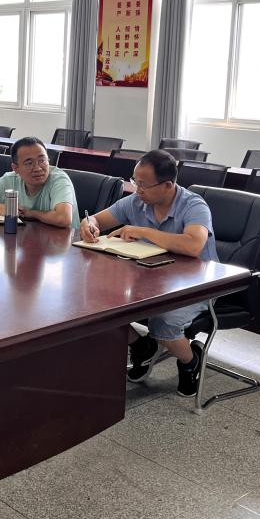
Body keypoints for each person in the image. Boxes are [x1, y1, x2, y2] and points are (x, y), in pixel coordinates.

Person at [78, 149, 218, 397]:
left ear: (167, 185)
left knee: (163, 321)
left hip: (195, 285)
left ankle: (191, 361)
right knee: (97, 304)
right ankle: (142, 347)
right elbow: (97, 220)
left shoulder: (193, 205)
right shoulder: (136, 201)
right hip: (151, 278)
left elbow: (194, 245)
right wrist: (89, 225)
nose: (137, 189)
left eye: (143, 185)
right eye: (135, 181)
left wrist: (144, 232)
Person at [0, 136, 76, 228]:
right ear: (15, 168)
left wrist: (32, 213)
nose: (38, 168)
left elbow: (63, 218)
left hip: (64, 243)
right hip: (30, 237)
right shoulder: (10, 179)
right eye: (29, 163)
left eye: (42, 160)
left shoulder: (59, 179)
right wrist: (0, 208)